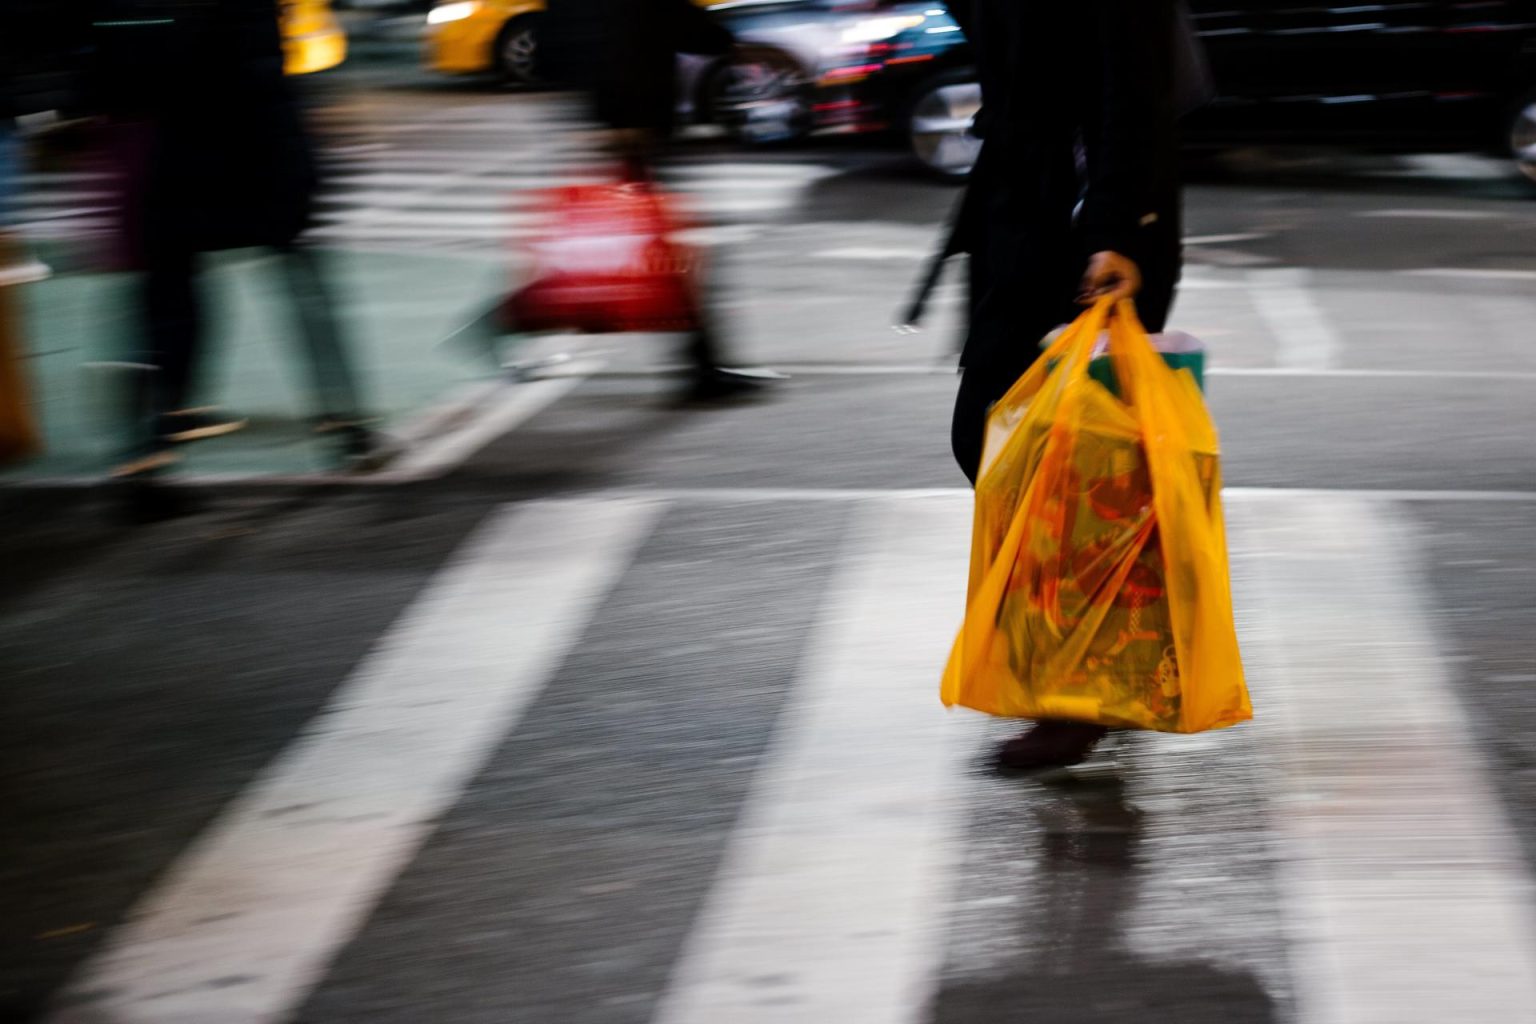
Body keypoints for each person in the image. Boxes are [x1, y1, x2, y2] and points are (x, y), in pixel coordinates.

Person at [948, 0, 1184, 770]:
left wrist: (1115, 231)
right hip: (1019, 204)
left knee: (1061, 465)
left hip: (1091, 227)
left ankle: (1077, 693)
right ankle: (1087, 665)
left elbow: (1136, 88)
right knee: (999, 443)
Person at [86, 0, 388, 495]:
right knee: (302, 289)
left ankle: (149, 443)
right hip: (254, 153)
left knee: (168, 298)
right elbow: (263, 68)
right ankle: (345, 423)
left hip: (183, 156)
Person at [537, 0, 777, 401]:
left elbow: (552, 48)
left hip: (618, 122)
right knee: (670, 253)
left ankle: (700, 366)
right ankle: (701, 369)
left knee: (652, 250)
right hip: (638, 125)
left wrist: (595, 113)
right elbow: (686, 28)